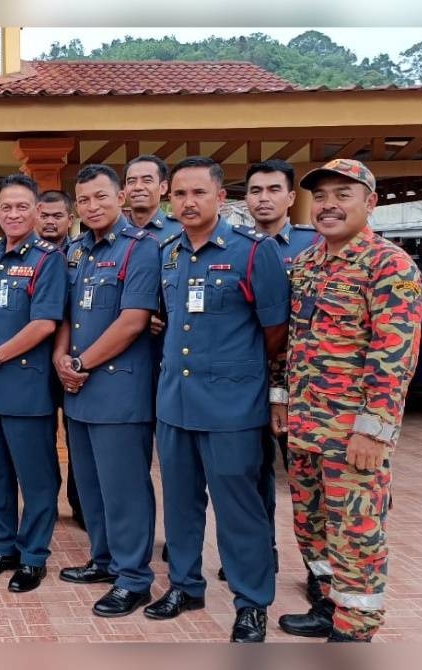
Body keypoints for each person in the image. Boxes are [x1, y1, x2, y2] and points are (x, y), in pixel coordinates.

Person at [274, 159, 422, 642]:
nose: (329, 205)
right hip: (306, 425)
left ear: (370, 203)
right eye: (321, 197)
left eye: (343, 194)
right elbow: (292, 342)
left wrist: (373, 429)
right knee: (313, 523)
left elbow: (395, 355)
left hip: (352, 433)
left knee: (356, 530)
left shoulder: (391, 265)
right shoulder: (305, 265)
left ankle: (356, 628)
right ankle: (328, 602)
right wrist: (281, 399)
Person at [146, 157, 289, 643]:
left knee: (239, 510)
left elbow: (275, 329)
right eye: (179, 194)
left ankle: (252, 602)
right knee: (181, 505)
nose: (187, 203)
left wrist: (241, 374)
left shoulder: (254, 252)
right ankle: (185, 585)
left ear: (219, 197)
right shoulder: (167, 252)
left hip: (231, 407)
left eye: (198, 194)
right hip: (175, 402)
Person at [53, 165, 160, 617]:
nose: (92, 207)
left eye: (101, 197)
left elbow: (133, 321)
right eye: (85, 200)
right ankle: (104, 560)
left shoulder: (142, 250)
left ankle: (134, 577)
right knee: (92, 487)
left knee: (125, 489)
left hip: (118, 391)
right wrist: (62, 358)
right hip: (77, 390)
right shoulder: (75, 251)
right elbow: (64, 313)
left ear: (120, 198)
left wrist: (80, 363)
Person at [212, 159, 320, 585]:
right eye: (255, 191)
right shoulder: (235, 247)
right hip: (251, 387)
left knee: (311, 485)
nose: (263, 198)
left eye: (273, 190)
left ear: (291, 198)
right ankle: (259, 555)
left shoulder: (312, 248)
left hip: (310, 386)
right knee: (252, 478)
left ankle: (320, 572)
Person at [0, 173, 67, 594]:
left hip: (26, 389)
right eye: (6, 207)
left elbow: (43, 322)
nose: (14, 214)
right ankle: (5, 547)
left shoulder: (47, 259)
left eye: (22, 206)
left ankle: (33, 556)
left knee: (37, 479)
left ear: (37, 211)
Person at [35, 189, 85, 531]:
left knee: (78, 437)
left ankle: (82, 505)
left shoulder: (84, 253)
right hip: (35, 361)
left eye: (58, 216)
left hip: (77, 361)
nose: (50, 222)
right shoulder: (27, 256)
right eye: (45, 215)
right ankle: (45, 504)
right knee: (42, 437)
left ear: (71, 218)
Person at [123, 155, 182, 240]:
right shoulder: (114, 230)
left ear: (163, 187)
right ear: (125, 189)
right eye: (131, 181)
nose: (138, 187)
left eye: (147, 181)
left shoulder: (179, 230)